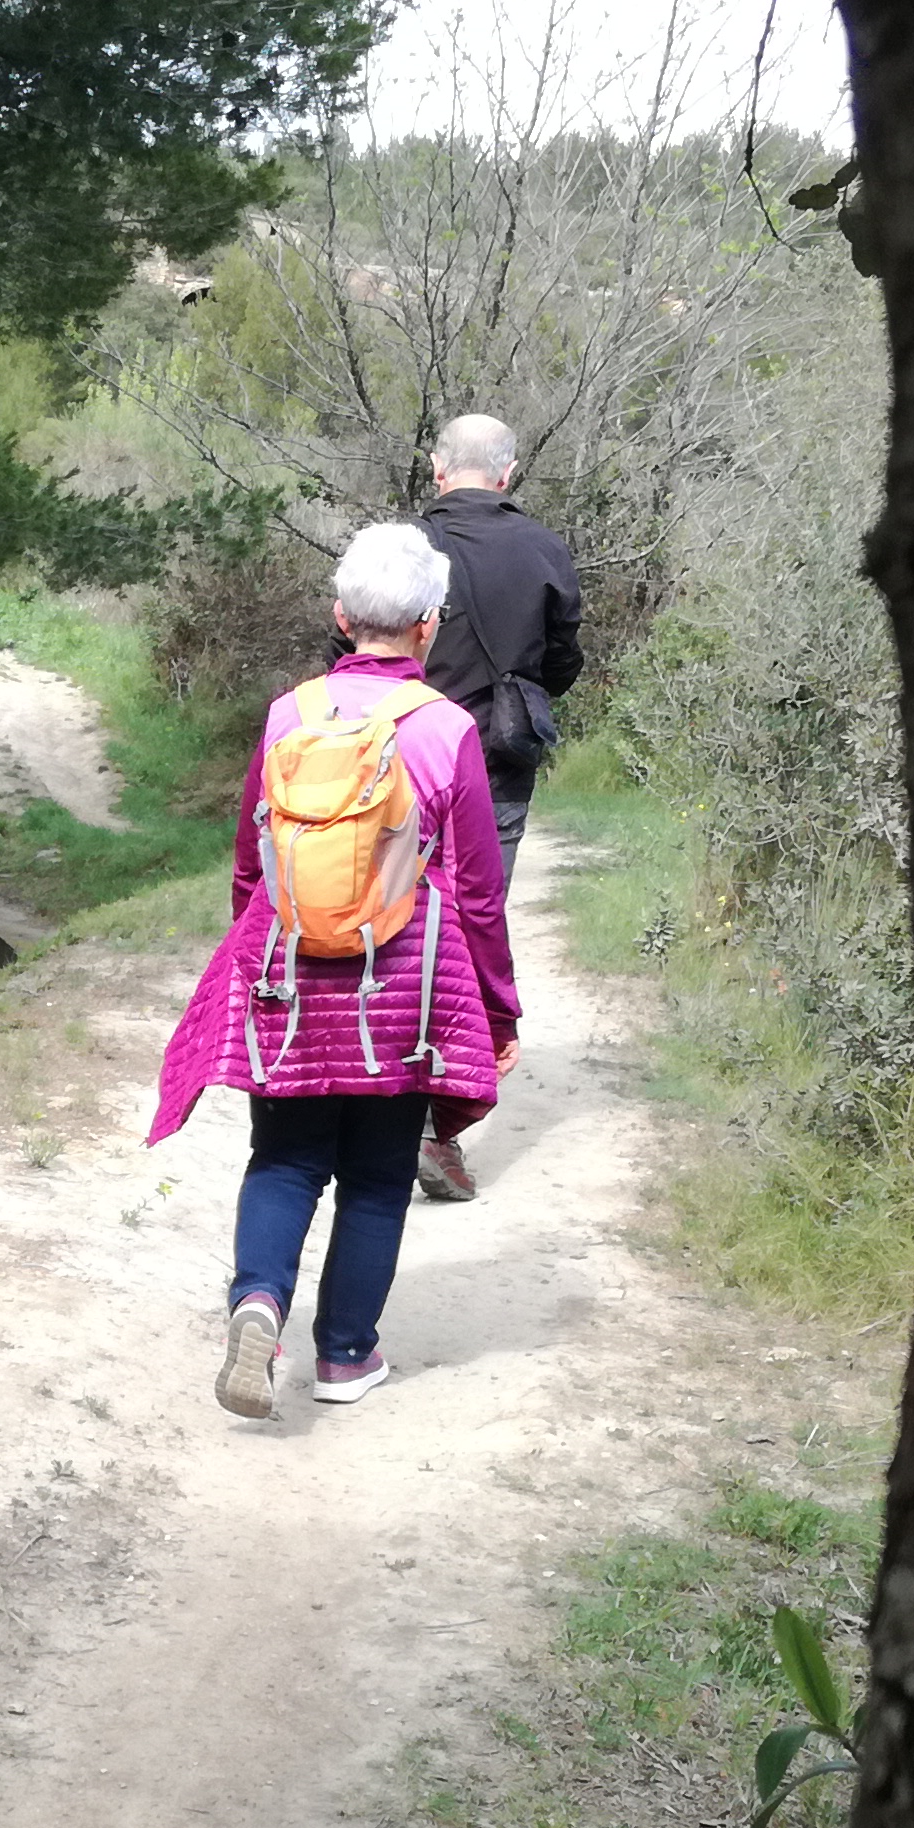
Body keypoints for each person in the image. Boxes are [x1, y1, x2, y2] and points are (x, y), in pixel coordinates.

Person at [149, 523, 521, 1420]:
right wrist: (499, 1012)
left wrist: (264, 945)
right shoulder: (445, 730)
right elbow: (475, 892)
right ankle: (346, 1356)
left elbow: (250, 863)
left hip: (289, 975)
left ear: (341, 615)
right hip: (401, 990)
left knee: (283, 1159)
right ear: (430, 626)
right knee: (379, 1175)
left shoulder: (291, 714)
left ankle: (257, 1305)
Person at [410, 413, 581, 1205]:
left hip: (401, 760)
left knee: (389, 927)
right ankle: (435, 1132)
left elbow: (349, 650)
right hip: (498, 767)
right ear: (507, 474)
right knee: (471, 935)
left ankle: (364, 1094)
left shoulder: (406, 546)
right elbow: (562, 662)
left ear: (439, 470)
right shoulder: (544, 548)